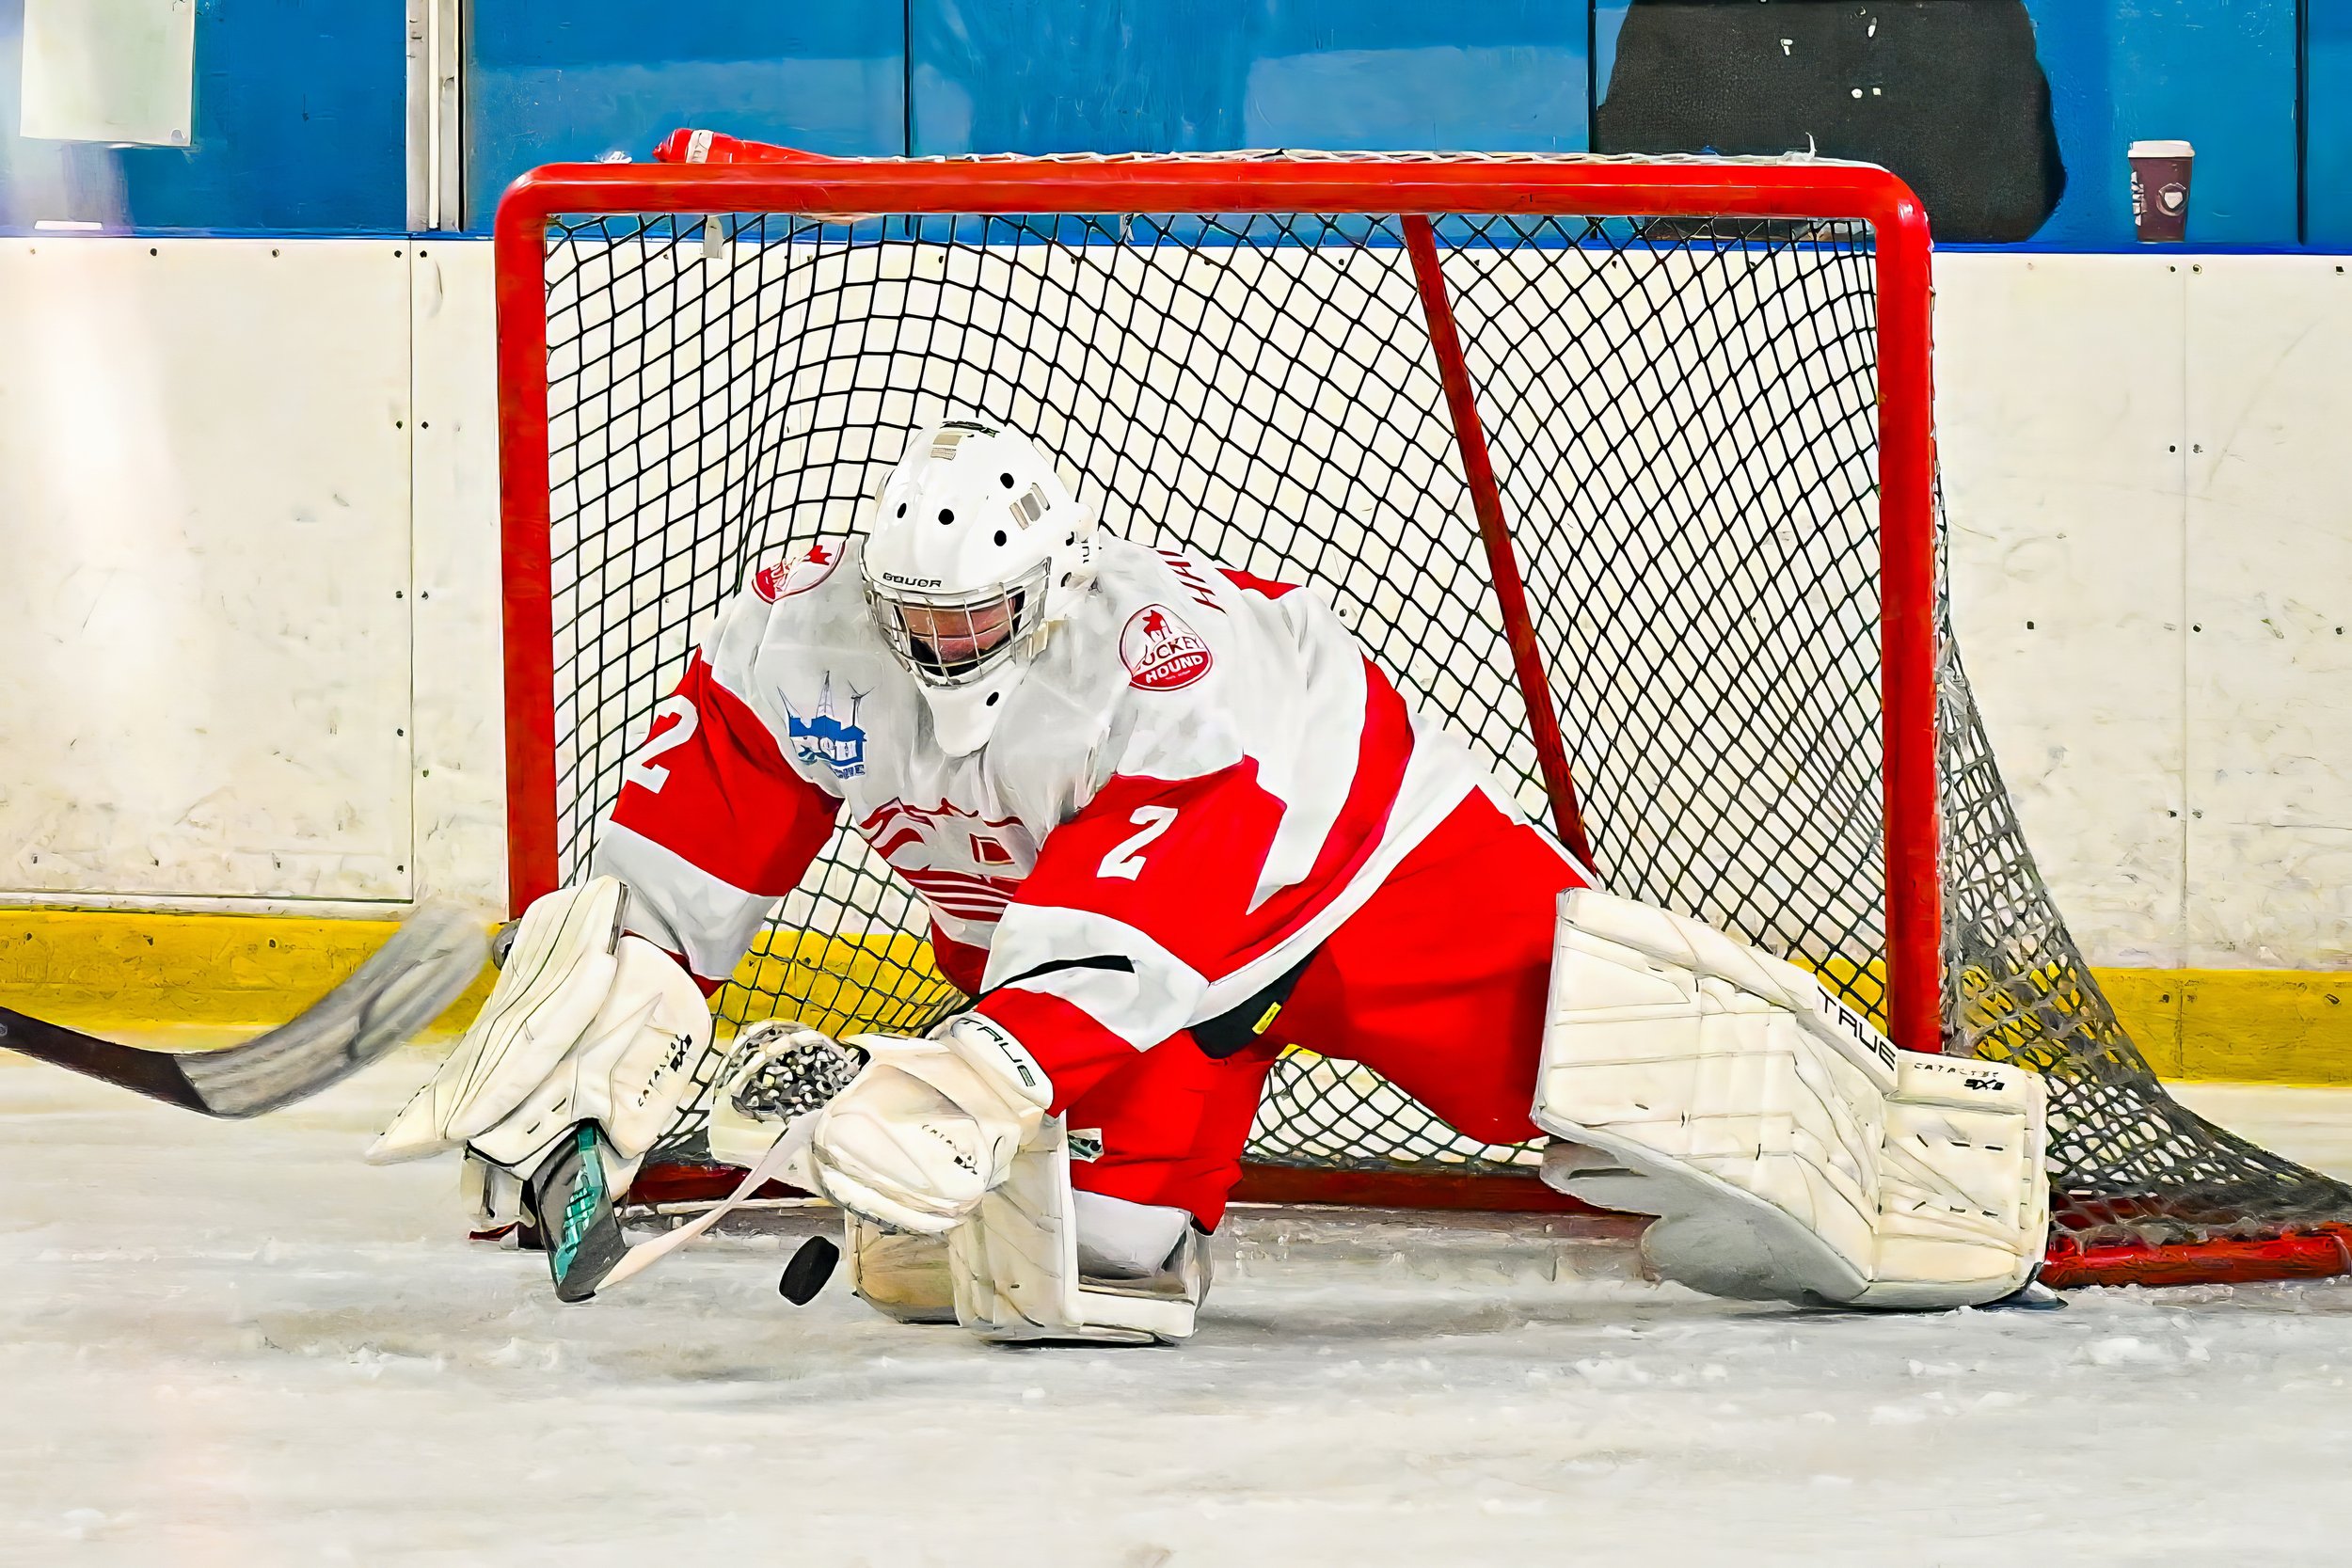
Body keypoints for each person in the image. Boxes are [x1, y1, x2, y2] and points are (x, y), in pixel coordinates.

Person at [375, 422, 2050, 1341]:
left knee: (1623, 1076)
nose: (942, 643)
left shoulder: (1172, 665)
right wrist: (602, 1042)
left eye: (976, 616)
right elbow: (679, 866)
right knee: (1075, 1270)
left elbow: (1155, 923)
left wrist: (974, 1075)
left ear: (1048, 584)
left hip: (1355, 875)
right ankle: (1114, 1194)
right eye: (917, 616)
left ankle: (1923, 1166)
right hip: (1084, 959)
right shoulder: (797, 640)